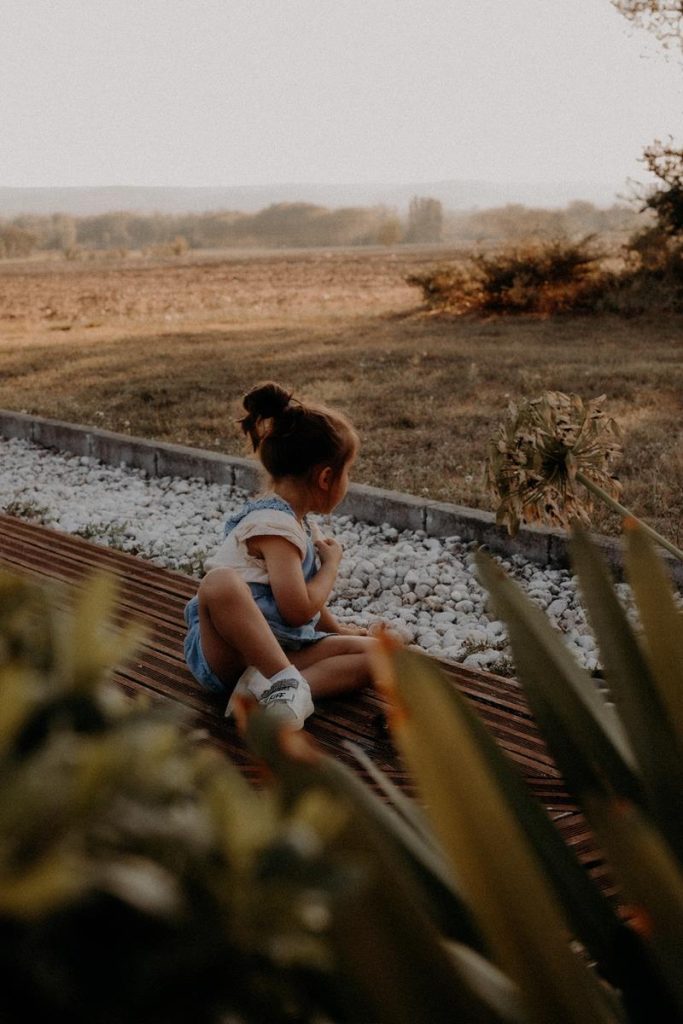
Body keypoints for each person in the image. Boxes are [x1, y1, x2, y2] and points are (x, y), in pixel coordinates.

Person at [183, 381, 376, 730]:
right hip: (228, 652)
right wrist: (331, 566)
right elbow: (298, 608)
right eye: (348, 472)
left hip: (280, 650)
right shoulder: (274, 526)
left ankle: (268, 695)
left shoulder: (298, 525)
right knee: (219, 583)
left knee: (382, 656)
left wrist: (340, 631)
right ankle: (283, 683)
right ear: (326, 477)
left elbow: (303, 598)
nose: (348, 481)